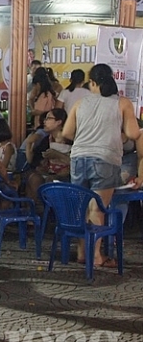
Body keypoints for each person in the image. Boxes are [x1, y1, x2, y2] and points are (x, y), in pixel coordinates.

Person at [63, 63, 140, 268]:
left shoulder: (80, 103)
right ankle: (96, 256)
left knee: (83, 208)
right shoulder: (122, 103)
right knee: (98, 209)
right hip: (105, 159)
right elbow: (133, 133)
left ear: (93, 83)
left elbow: (66, 133)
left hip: (78, 158)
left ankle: (82, 252)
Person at [25, 108, 72, 208]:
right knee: (33, 177)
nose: (44, 121)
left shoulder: (70, 139)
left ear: (59, 122)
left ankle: (52, 214)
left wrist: (58, 155)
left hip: (68, 175)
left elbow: (75, 162)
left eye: (48, 118)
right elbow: (34, 161)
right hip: (51, 172)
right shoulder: (47, 140)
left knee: (50, 181)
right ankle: (34, 213)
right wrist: (29, 144)